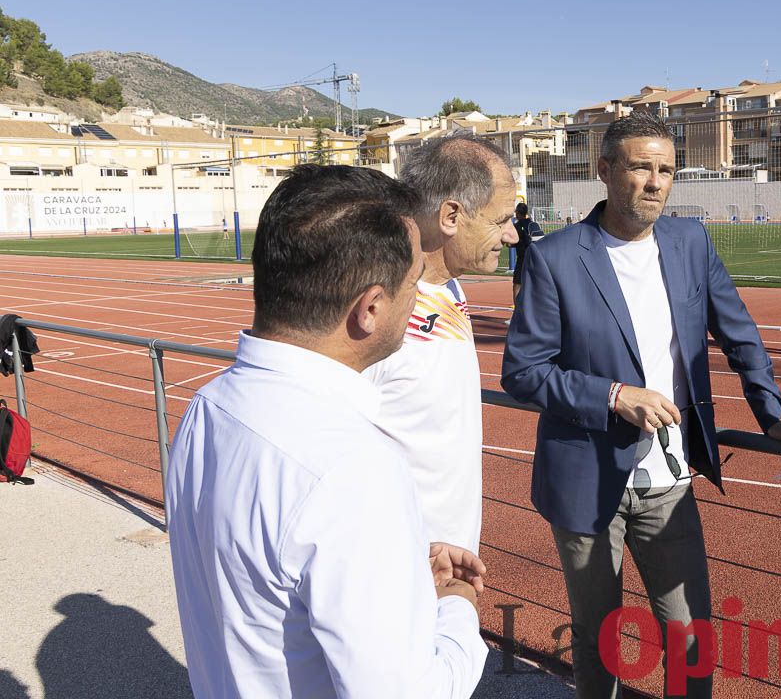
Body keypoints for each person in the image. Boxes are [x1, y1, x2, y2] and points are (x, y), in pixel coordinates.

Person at [501, 111, 781, 699]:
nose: (655, 182)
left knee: (691, 638)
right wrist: (614, 396)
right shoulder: (555, 257)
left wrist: (771, 412)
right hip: (587, 481)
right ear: (604, 170)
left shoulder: (690, 241)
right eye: (641, 168)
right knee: (598, 642)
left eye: (666, 170)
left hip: (668, 482)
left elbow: (739, 333)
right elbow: (523, 371)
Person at [166, 165, 488, 698]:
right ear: (371, 308)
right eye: (413, 284)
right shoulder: (353, 465)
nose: (417, 298)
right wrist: (458, 607)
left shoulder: (207, 405)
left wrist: (398, 565)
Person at [366, 135, 517, 554]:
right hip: (398, 562)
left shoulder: (448, 284)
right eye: (501, 220)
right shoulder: (377, 310)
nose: (511, 235)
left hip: (449, 560)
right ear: (451, 216)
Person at [511, 201, 544, 305]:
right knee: (533, 284)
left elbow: (512, 242)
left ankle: (517, 310)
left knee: (517, 284)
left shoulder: (517, 225)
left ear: (518, 212)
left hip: (523, 258)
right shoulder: (532, 223)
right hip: (535, 257)